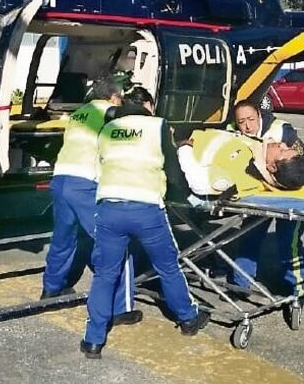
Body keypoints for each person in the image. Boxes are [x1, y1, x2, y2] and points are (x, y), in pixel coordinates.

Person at [81, 88, 209, 358]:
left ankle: (93, 340)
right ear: (149, 105)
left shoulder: (107, 128)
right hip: (146, 208)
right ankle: (188, 318)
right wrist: (189, 197)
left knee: (105, 274)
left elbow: (100, 166)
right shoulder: (157, 125)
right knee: (167, 267)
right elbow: (172, 169)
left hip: (110, 207)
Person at [42, 76, 139, 326]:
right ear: (115, 97)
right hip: (85, 182)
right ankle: (120, 309)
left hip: (61, 179)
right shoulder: (111, 111)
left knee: (64, 238)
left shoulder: (79, 113)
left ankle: (51, 290)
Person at [227, 100, 304, 301]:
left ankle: (297, 290)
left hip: (291, 189)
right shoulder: (234, 133)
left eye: (251, 120)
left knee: (288, 241)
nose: (247, 126)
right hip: (260, 192)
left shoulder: (282, 131)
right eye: (241, 122)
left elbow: (297, 161)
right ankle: (240, 283)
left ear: (260, 115)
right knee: (250, 234)